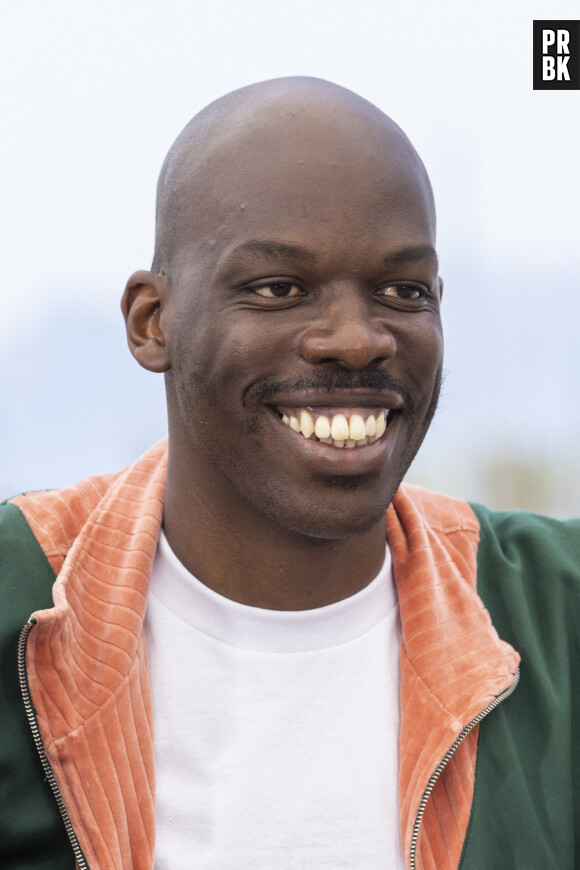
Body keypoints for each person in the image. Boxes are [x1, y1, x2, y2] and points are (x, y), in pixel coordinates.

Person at [0, 77, 578, 870]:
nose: (356, 339)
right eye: (279, 288)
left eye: (401, 290)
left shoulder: (556, 614)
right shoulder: (14, 599)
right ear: (151, 322)